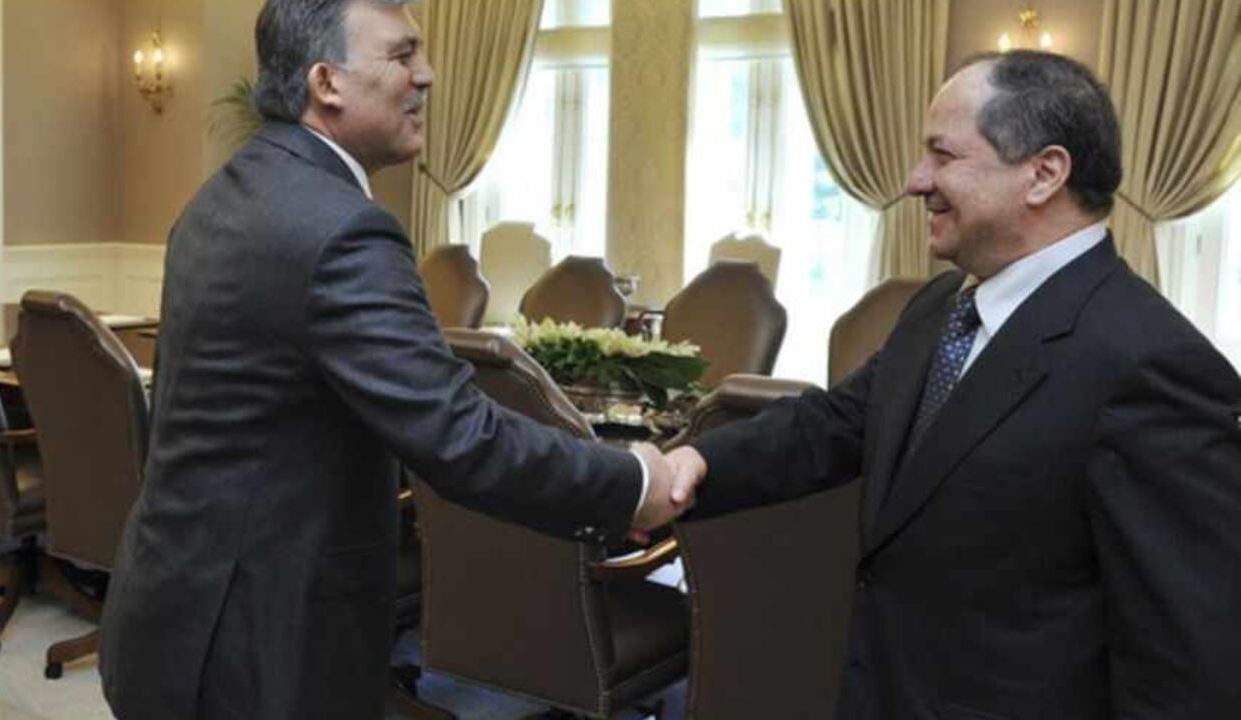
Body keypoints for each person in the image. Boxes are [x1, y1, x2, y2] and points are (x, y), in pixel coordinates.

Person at [98, 2, 691, 719]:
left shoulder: (226, 195)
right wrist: (630, 483)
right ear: (327, 82)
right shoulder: (342, 228)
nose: (428, 75)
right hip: (260, 645)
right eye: (402, 54)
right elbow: (463, 439)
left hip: (172, 612)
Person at [666, 50, 1241, 719]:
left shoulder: (1153, 364)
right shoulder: (942, 306)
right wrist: (693, 461)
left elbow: (1187, 657)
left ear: (1044, 173)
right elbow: (837, 424)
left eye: (943, 155)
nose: (916, 180)